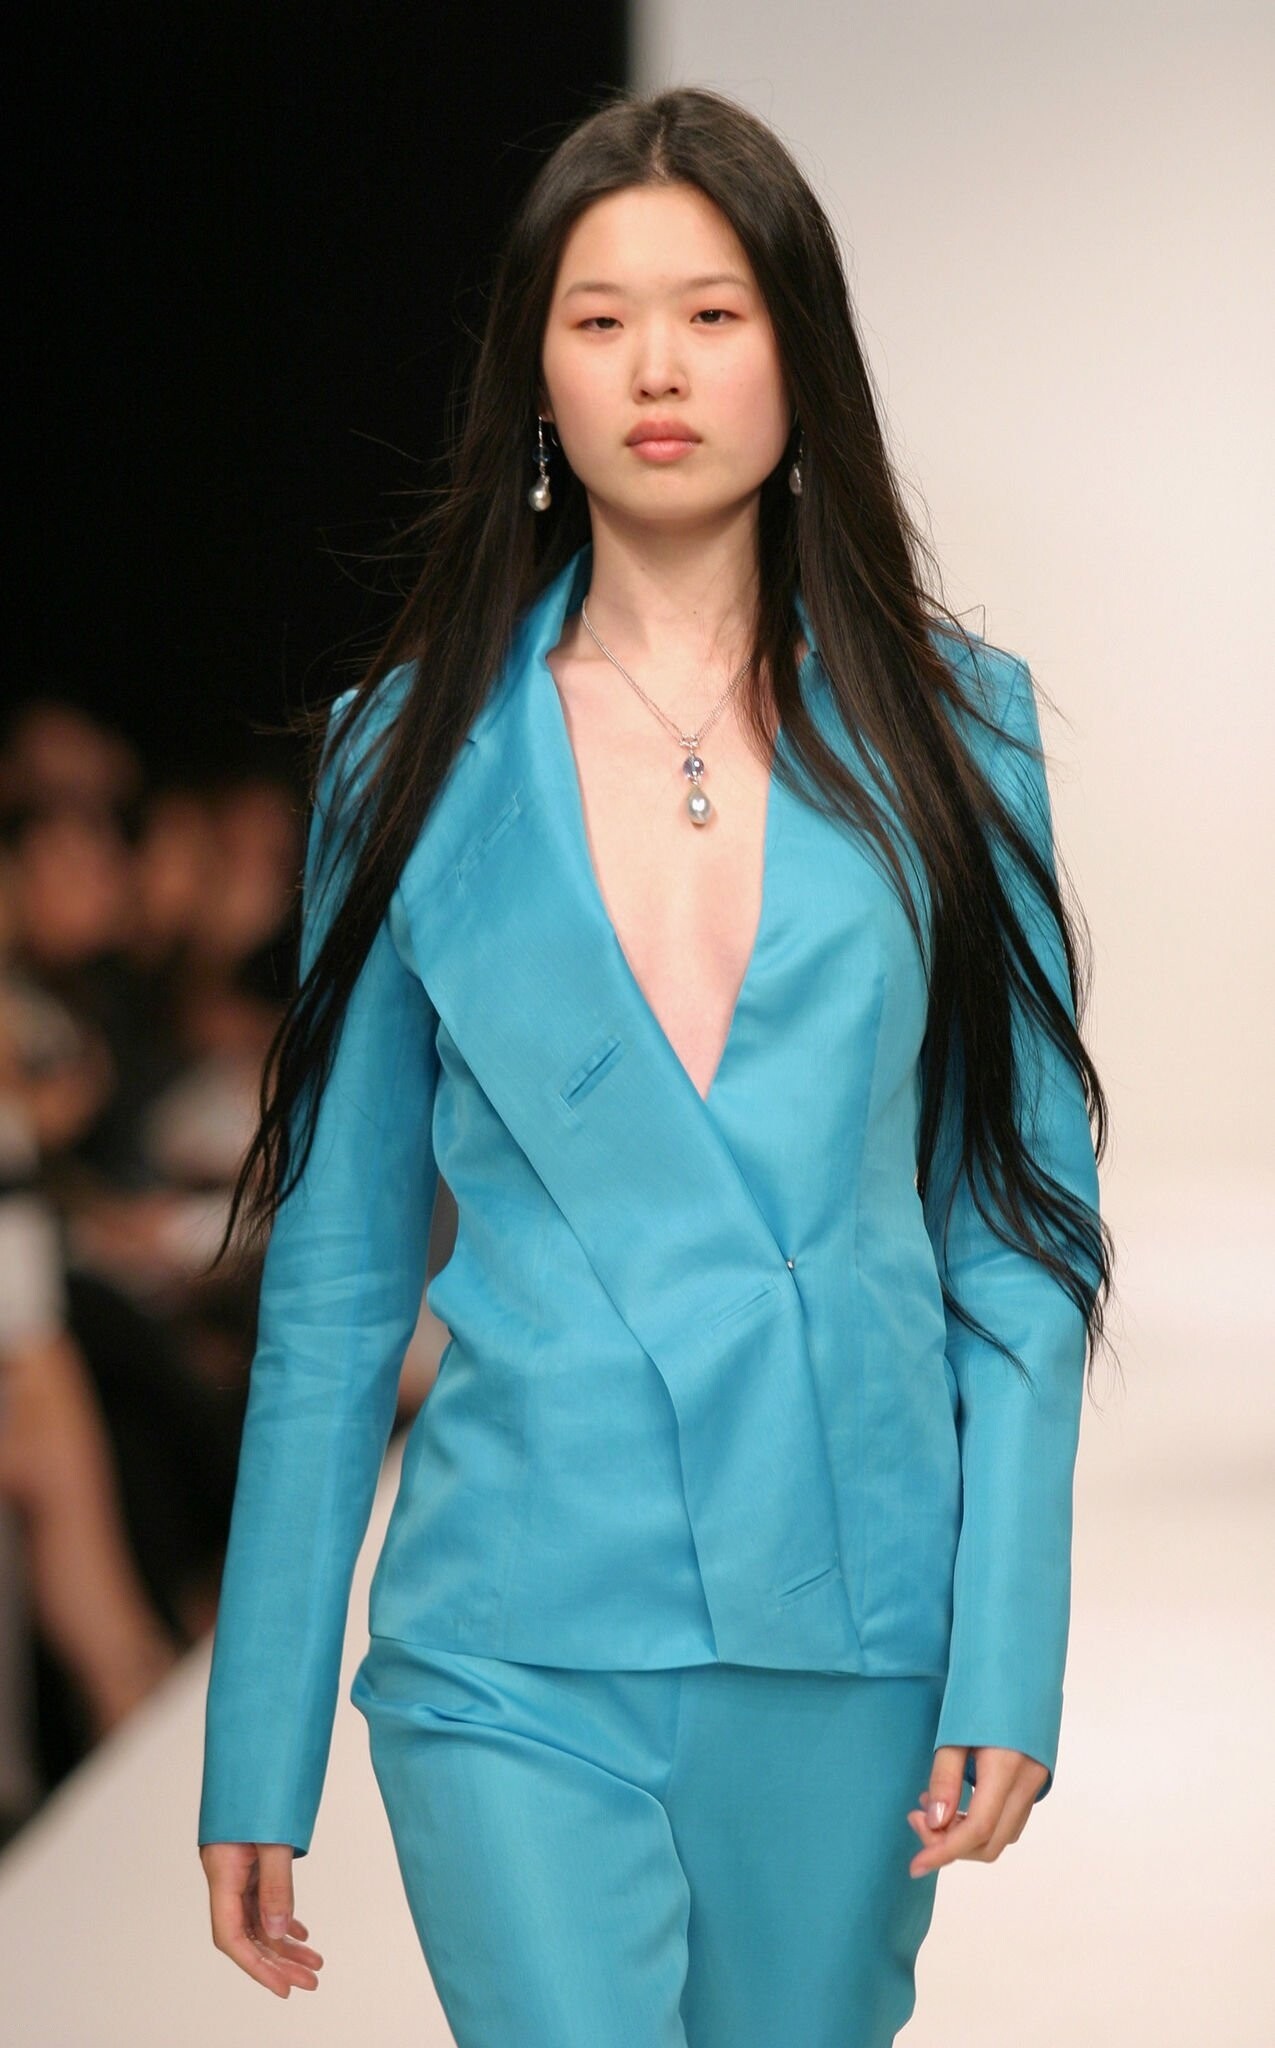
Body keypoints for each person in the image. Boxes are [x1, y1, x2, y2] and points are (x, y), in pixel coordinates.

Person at [196, 84, 1113, 2047]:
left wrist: (1006, 1653)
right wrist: (256, 1740)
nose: (656, 369)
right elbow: (339, 1281)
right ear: (536, 376)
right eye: (598, 319)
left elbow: (1019, 1228)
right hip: (510, 1622)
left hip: (845, 1612)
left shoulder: (963, 731)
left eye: (711, 313)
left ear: (800, 353)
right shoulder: (402, 751)